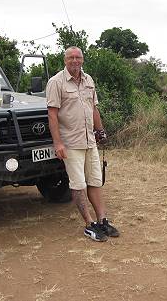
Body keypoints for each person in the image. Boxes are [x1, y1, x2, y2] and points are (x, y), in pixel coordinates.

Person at [46, 46, 120, 242]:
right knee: (78, 185)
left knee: (95, 180)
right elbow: (52, 115)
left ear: (82, 60)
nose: (75, 60)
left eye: (78, 57)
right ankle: (89, 225)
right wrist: (58, 143)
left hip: (90, 141)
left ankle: (102, 220)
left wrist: (100, 130)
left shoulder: (88, 80)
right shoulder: (56, 82)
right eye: (71, 57)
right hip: (71, 143)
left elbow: (93, 108)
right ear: (65, 60)